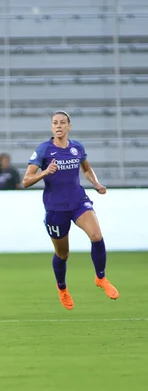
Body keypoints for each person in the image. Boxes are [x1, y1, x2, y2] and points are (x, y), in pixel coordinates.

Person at [22, 110, 119, 310]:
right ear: (51, 127)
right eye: (55, 123)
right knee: (63, 254)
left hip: (78, 201)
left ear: (69, 126)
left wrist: (96, 184)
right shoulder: (44, 150)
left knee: (96, 235)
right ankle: (62, 288)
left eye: (62, 122)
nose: (58, 126)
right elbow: (25, 181)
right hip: (56, 208)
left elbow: (86, 168)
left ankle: (101, 278)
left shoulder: (76, 148)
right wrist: (45, 172)